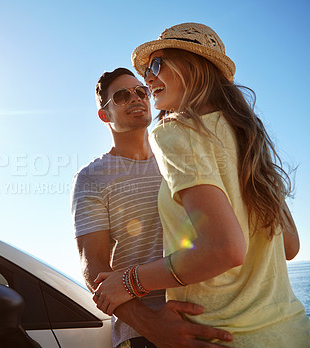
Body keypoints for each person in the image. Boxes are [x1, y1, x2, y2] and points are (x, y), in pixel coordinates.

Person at [93, 23, 310, 347]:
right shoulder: (248, 137)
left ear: (193, 66)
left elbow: (224, 248)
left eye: (156, 65)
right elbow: (289, 245)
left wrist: (130, 281)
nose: (148, 79)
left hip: (221, 337)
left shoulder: (173, 132)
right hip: (291, 332)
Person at [71, 67, 233, 347]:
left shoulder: (181, 155)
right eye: (122, 96)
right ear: (104, 115)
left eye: (141, 91)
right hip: (144, 335)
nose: (136, 98)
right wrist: (152, 325)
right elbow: (94, 267)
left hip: (211, 318)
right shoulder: (92, 177)